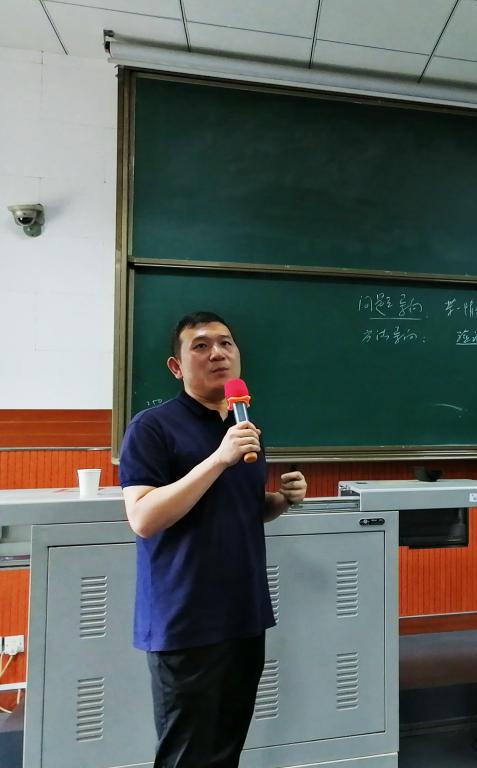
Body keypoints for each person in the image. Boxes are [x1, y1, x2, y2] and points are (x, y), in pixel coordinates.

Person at [118, 310, 307, 768]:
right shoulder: (152, 427)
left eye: (225, 343)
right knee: (187, 755)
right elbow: (143, 518)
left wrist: (281, 500)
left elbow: (240, 510)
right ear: (176, 366)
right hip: (186, 619)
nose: (217, 353)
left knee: (225, 750)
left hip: (244, 613)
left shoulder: (244, 429)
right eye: (200, 346)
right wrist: (219, 459)